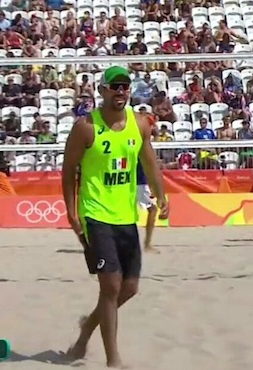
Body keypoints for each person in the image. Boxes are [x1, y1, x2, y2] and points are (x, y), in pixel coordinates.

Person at [61, 66, 168, 368]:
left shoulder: (140, 124)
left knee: (129, 288)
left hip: (125, 215)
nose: (120, 92)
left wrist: (162, 196)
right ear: (102, 90)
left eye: (125, 87)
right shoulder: (86, 127)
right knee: (109, 287)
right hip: (95, 214)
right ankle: (113, 361)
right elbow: (68, 172)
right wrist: (70, 211)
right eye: (114, 87)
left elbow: (150, 163)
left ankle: (86, 330)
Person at [136, 163, 158, 253]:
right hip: (140, 183)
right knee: (153, 209)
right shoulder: (141, 149)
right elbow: (149, 168)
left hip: (127, 182)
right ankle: (147, 243)